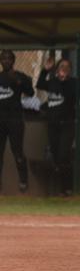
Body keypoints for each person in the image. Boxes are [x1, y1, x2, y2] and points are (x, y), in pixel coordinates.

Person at [37, 56, 80, 197]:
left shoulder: (73, 83)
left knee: (63, 155)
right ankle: (63, 186)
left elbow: (72, 97)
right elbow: (39, 84)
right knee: (56, 156)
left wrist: (64, 81)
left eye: (67, 67)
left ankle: (66, 187)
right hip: (53, 125)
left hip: (67, 125)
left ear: (70, 70)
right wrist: (45, 70)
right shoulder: (52, 82)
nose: (64, 69)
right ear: (57, 69)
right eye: (62, 66)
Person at [0, 49, 35, 193]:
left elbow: (31, 93)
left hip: (15, 120)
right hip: (0, 120)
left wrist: (19, 82)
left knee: (17, 152)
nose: (6, 61)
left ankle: (23, 180)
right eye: (3, 58)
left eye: (9, 58)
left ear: (13, 61)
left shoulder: (20, 76)